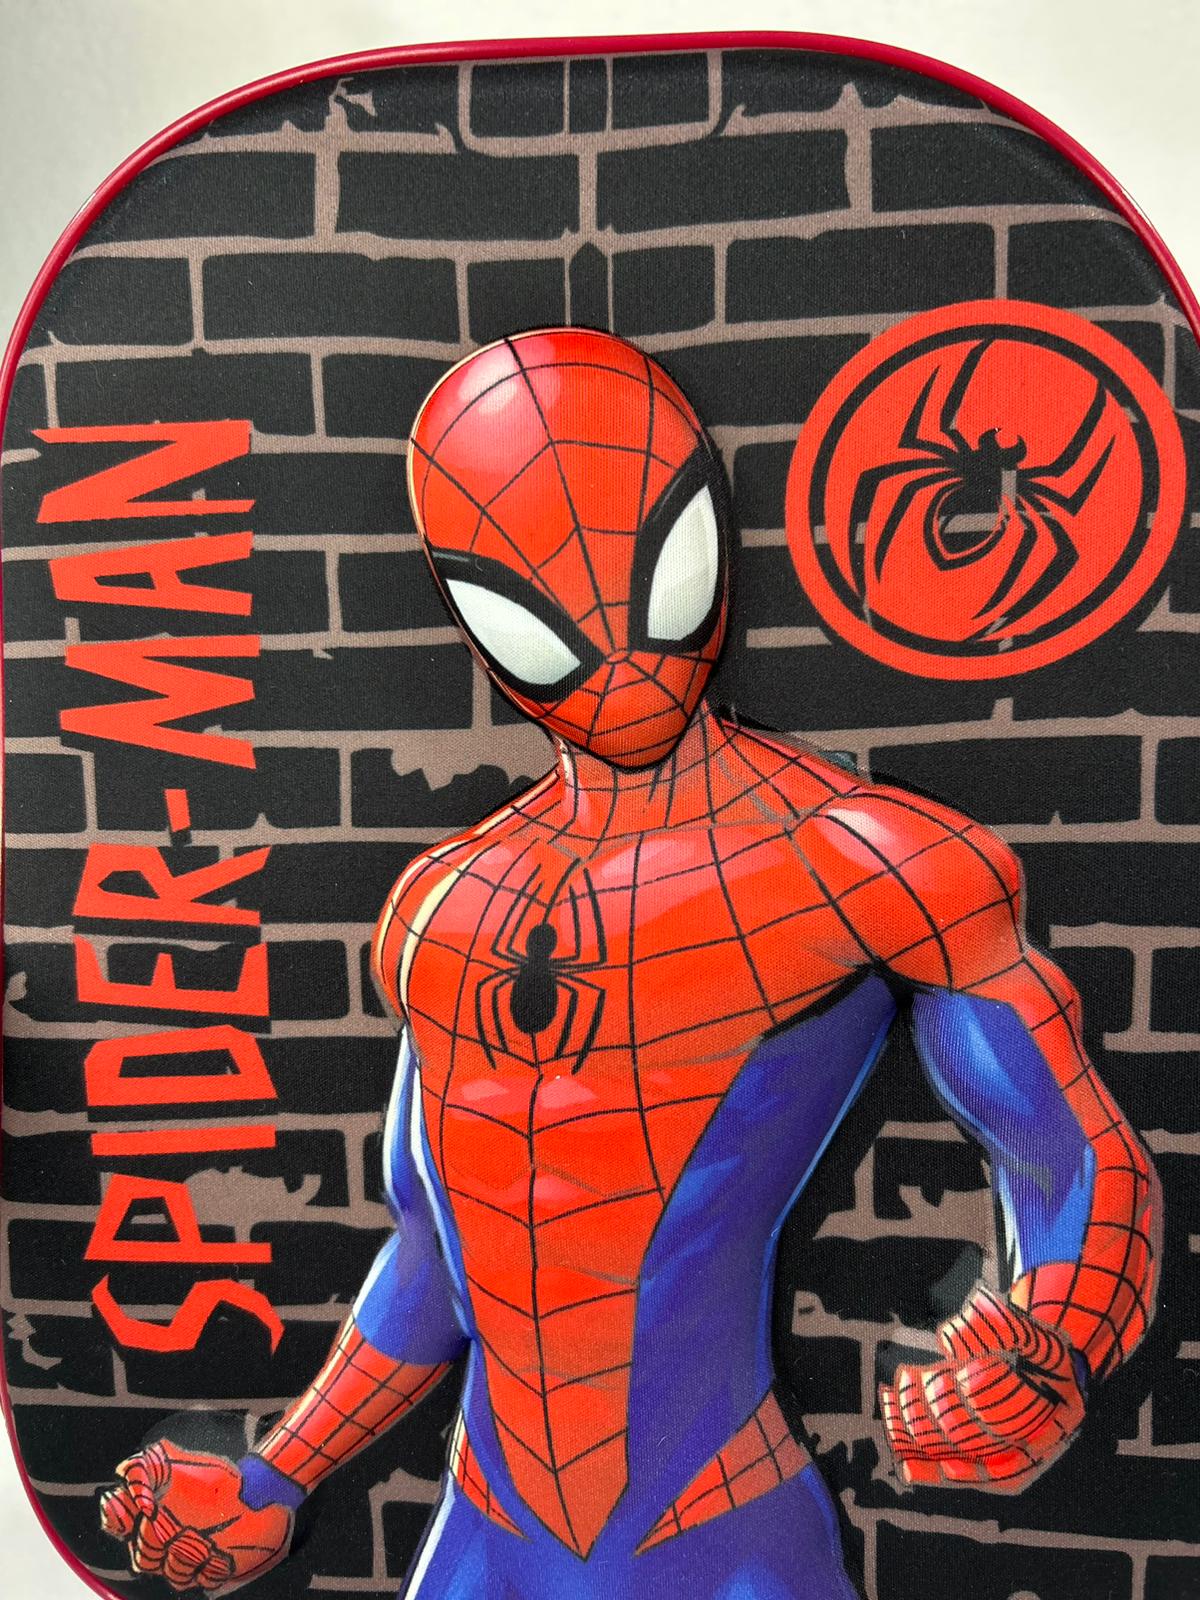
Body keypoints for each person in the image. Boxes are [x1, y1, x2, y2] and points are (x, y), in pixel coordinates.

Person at [101, 328, 1160, 1600]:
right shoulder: (442, 910)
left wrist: (1049, 1345)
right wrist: (275, 1477)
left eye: (657, 578)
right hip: (487, 1536)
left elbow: (1071, 1147)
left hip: (720, 1530)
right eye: (548, 616)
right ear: (478, 607)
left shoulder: (855, 856)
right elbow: (444, 1256)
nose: (622, 661)